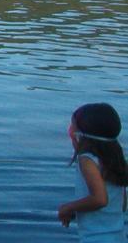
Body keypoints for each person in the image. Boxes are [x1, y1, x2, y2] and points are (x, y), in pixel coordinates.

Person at [58, 102, 127, 241]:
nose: (70, 130)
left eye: (72, 126)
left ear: (79, 134)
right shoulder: (114, 158)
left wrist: (68, 207)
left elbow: (100, 199)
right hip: (118, 236)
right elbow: (123, 204)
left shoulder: (87, 160)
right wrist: (80, 210)